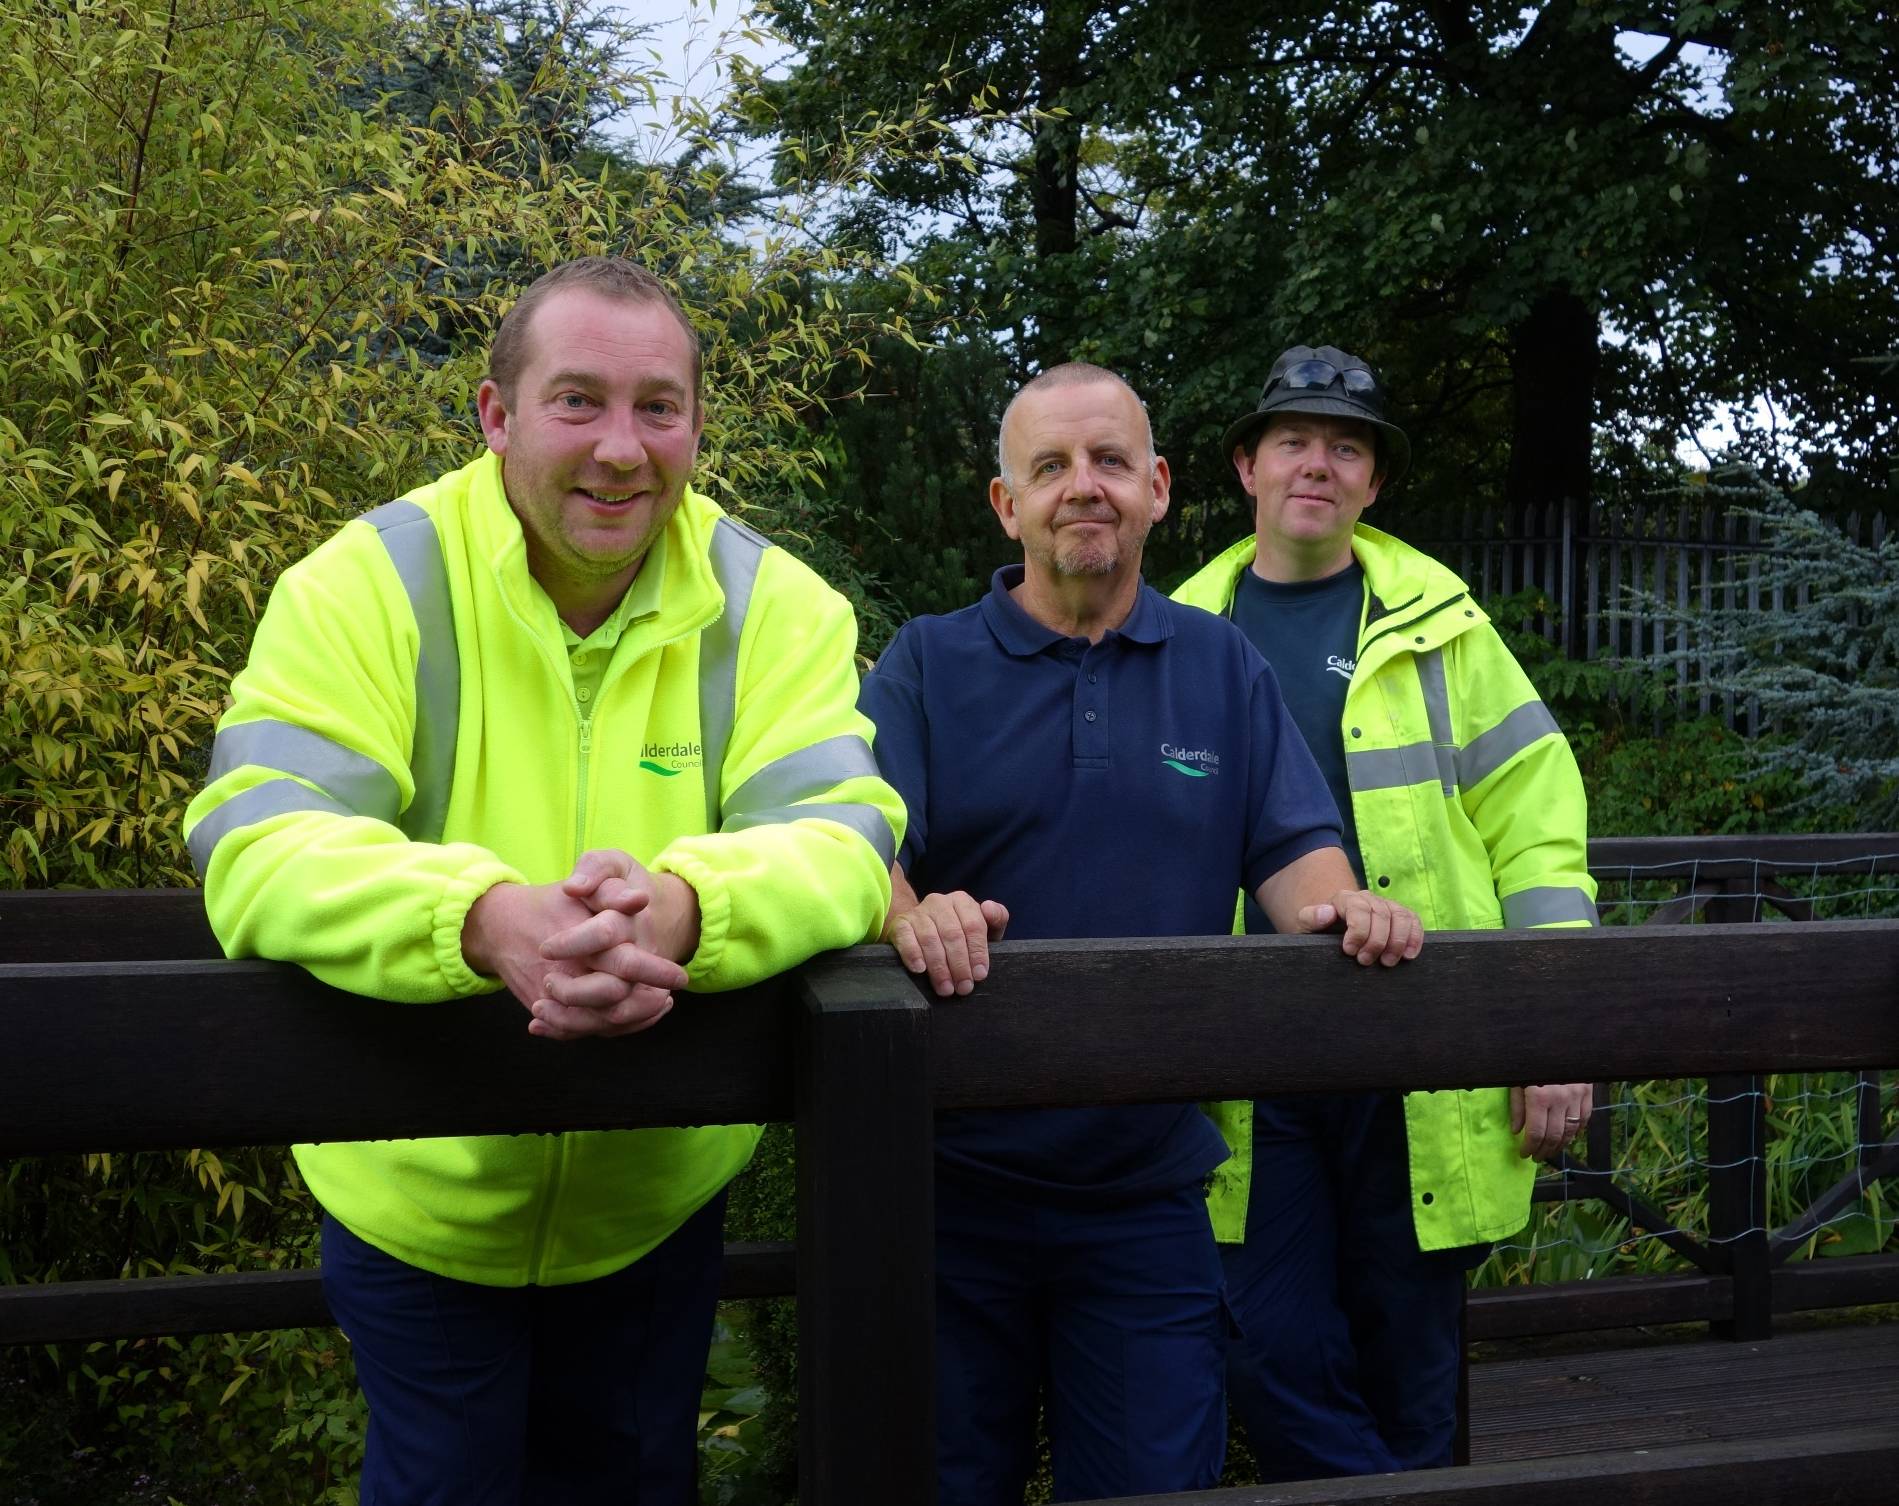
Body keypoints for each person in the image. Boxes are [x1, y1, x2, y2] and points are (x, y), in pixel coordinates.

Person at [183, 256, 903, 1504]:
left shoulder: (777, 604)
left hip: (655, 1207)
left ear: (695, 423)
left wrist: (683, 907)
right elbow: (257, 840)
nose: (622, 449)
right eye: (578, 401)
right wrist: (478, 920)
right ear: (494, 416)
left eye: (658, 407)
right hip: (416, 1202)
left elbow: (845, 836)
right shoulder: (364, 581)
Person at [856, 361, 1424, 1506]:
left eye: (1110, 461)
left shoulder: (1223, 665)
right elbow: (857, 855)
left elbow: (1295, 852)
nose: (1085, 488)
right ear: (1004, 504)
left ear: (1158, 487)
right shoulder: (924, 663)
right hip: (946, 1194)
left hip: (1149, 1201)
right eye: (1050, 466)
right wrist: (915, 911)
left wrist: (1346, 907)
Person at [1171, 344, 1596, 1481]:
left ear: (1372, 483)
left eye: (1345, 447)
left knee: (1412, 1354)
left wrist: (1552, 1029)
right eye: (1295, 442)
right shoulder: (1180, 634)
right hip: (1244, 1053)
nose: (1319, 464)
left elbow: (1540, 831)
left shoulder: (1446, 629)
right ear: (1246, 466)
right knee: (1266, 1342)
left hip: (1422, 1043)